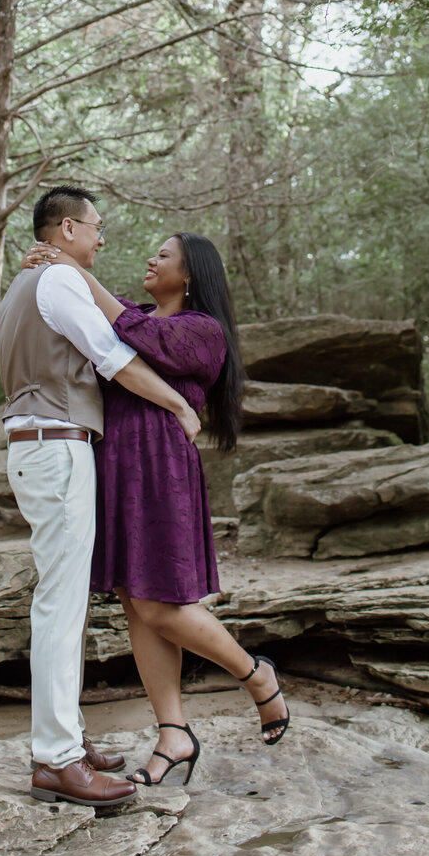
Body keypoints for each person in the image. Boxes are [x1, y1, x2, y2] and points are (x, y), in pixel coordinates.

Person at [24, 228, 289, 787]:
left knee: (161, 601)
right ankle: (173, 732)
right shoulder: (138, 314)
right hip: (116, 462)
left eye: (163, 255)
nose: (151, 258)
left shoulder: (202, 331)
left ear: (190, 274)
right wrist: (50, 278)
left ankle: (255, 675)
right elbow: (97, 341)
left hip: (160, 463)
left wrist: (75, 274)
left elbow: (134, 333)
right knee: (135, 602)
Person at [0, 186, 202, 813]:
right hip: (55, 447)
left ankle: (66, 741)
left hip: (41, 444)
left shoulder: (24, 288)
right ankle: (56, 760)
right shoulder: (56, 282)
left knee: (63, 601)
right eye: (95, 228)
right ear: (65, 229)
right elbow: (112, 358)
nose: (101, 239)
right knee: (60, 605)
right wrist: (178, 403)